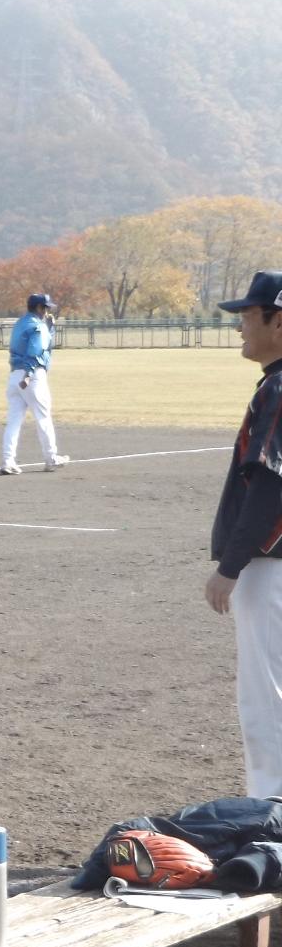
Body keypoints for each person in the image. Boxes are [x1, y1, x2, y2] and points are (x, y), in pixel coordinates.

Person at [205, 270, 282, 799]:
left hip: (271, 568)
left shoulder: (279, 387)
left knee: (265, 698)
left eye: (250, 316)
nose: (240, 326)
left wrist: (230, 567)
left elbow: (271, 485)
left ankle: (270, 813)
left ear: (279, 320)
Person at [2, 292, 68, 473]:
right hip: (32, 377)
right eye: (46, 308)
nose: (47, 312)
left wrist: (49, 329)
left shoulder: (20, 323)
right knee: (43, 418)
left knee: (13, 421)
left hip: (14, 374)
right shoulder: (39, 327)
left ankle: (8, 461)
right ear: (39, 308)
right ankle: (51, 458)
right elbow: (35, 350)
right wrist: (29, 374)